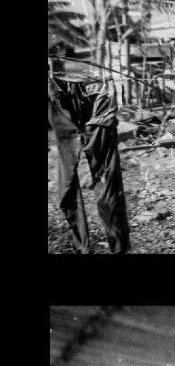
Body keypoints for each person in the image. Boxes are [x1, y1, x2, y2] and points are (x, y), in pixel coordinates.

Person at [48, 58, 130, 253]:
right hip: (59, 90)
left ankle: (118, 246)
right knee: (66, 182)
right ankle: (83, 246)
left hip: (97, 89)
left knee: (107, 177)